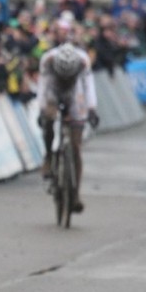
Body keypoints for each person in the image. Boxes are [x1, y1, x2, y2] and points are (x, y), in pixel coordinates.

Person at [37, 42, 99, 212]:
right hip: (53, 89)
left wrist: (92, 109)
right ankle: (49, 156)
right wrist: (42, 111)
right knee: (48, 118)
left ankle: (76, 194)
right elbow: (42, 88)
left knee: (76, 145)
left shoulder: (83, 61)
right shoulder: (47, 60)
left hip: (74, 91)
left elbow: (88, 86)